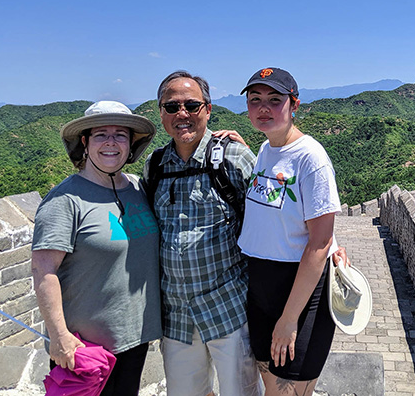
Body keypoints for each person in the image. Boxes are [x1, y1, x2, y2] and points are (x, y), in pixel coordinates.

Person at [31, 101, 161, 396]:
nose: (111, 143)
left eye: (121, 135)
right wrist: (59, 336)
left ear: (130, 146)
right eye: (101, 134)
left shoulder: (139, 190)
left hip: (134, 337)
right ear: (85, 143)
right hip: (84, 348)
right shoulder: (65, 200)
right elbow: (43, 270)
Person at [144, 71, 262, 396]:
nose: (182, 114)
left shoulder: (234, 158)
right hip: (177, 317)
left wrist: (329, 243)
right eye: (172, 107)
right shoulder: (154, 167)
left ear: (208, 110)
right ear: (161, 113)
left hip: (229, 309)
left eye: (191, 105)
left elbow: (273, 217)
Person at [238, 67, 342, 396]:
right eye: (255, 100)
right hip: (259, 289)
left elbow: (319, 240)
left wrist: (288, 319)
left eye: (274, 99)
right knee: (271, 388)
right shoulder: (266, 151)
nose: (263, 108)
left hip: (297, 293)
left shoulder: (311, 158)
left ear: (293, 105)